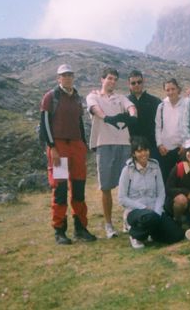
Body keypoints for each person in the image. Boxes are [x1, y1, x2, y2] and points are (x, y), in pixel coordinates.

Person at [39, 64, 97, 244]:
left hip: (76, 147)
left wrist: (83, 145)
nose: (68, 78)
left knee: (79, 189)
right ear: (58, 78)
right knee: (61, 188)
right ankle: (59, 231)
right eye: (64, 75)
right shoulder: (51, 97)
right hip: (59, 147)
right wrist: (52, 148)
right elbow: (45, 124)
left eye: (70, 75)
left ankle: (80, 228)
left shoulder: (77, 98)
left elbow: (79, 122)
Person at [86, 67, 138, 238]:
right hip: (104, 143)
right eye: (109, 78)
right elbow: (94, 109)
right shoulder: (93, 96)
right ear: (102, 79)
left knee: (128, 185)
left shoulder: (120, 98)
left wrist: (132, 116)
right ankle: (109, 225)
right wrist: (107, 118)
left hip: (123, 143)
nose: (112, 82)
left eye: (115, 79)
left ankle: (127, 220)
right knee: (106, 186)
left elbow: (131, 107)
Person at [118, 137, 185, 249]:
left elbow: (161, 192)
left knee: (177, 235)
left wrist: (158, 210)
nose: (143, 154)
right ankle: (135, 234)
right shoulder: (127, 170)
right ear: (134, 154)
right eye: (139, 151)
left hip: (154, 209)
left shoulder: (155, 166)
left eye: (145, 150)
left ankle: (152, 234)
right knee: (149, 217)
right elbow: (122, 198)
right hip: (136, 211)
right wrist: (143, 207)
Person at [164, 138, 190, 225]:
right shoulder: (178, 168)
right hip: (176, 201)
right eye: (189, 151)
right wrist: (185, 192)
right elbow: (168, 189)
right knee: (181, 200)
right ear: (185, 153)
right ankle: (177, 220)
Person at [154, 78, 186, 183]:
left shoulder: (186, 104)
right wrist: (159, 144)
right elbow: (158, 126)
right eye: (168, 90)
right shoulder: (161, 106)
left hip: (181, 149)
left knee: (181, 178)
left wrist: (185, 144)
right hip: (165, 150)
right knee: (166, 179)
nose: (171, 92)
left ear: (178, 89)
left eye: (173, 89)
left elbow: (189, 125)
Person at [127, 70, 162, 160]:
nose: (136, 85)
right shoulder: (124, 102)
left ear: (143, 82)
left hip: (151, 146)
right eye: (133, 83)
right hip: (131, 147)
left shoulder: (155, 101)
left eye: (139, 82)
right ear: (129, 85)